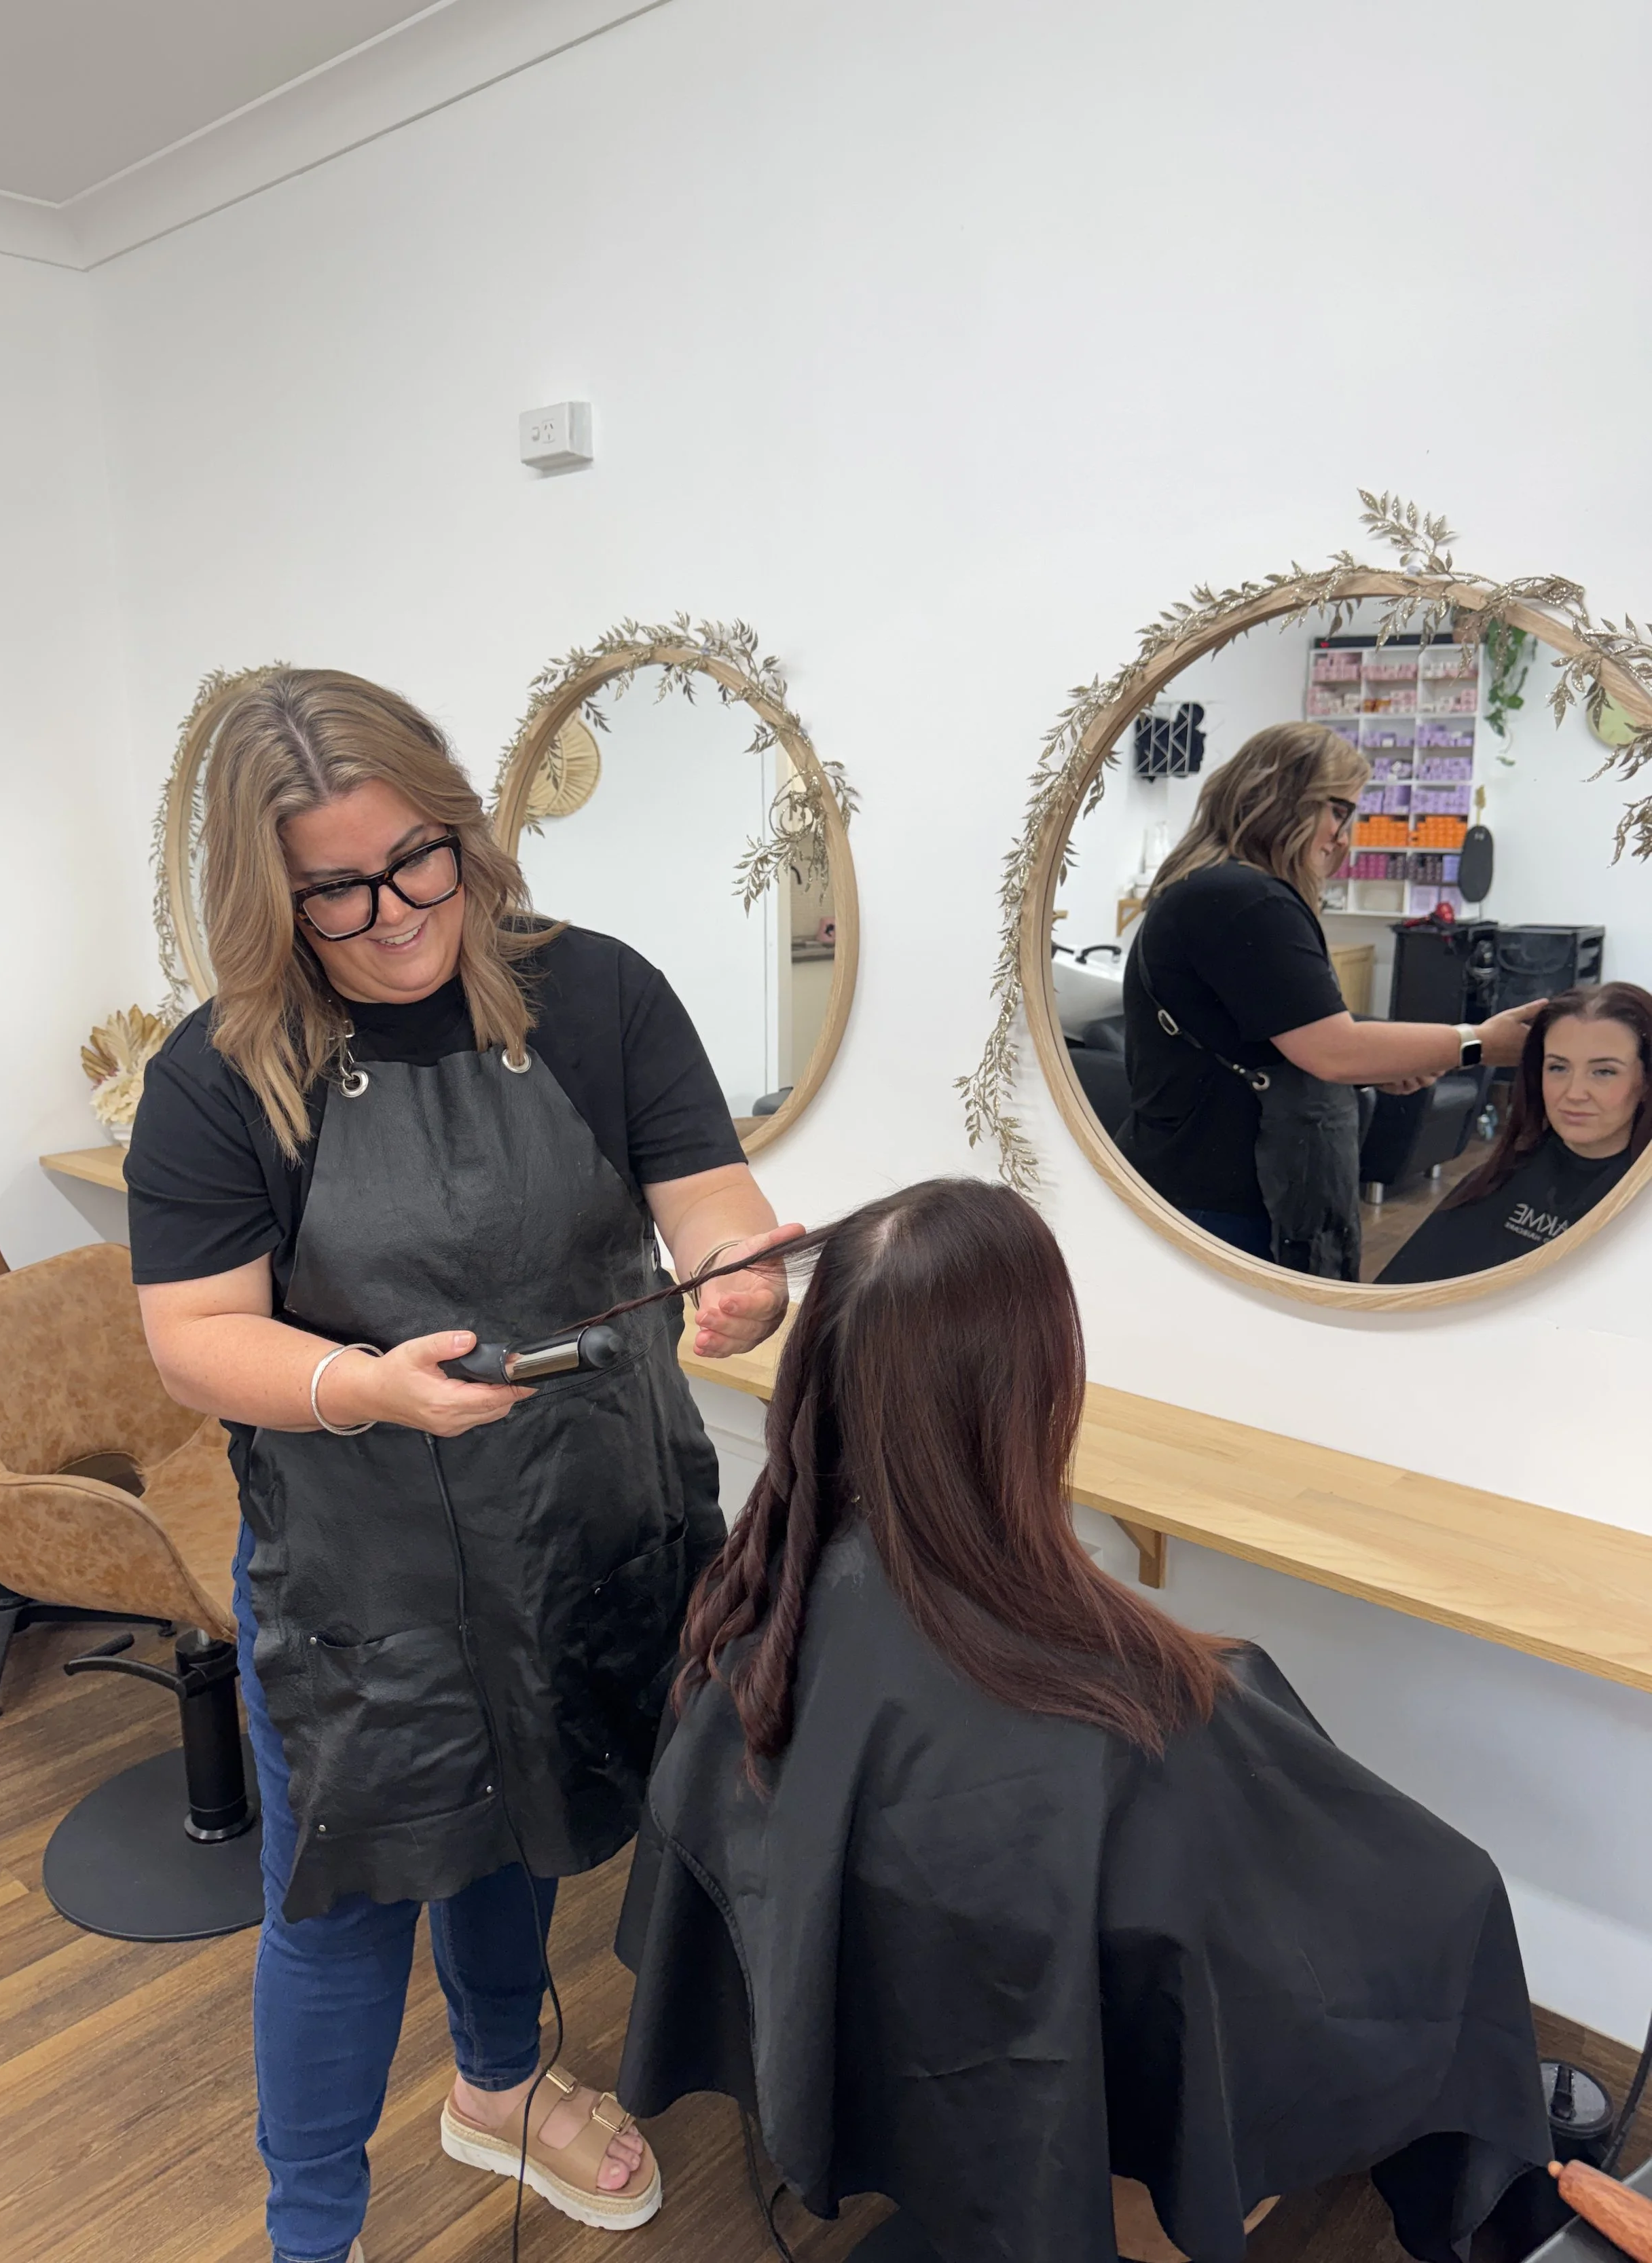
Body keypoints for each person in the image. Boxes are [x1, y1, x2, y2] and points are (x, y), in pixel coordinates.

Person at [126, 667, 798, 2263]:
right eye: (336, 892)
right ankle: (317, 2231)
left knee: (535, 1820)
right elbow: (195, 1338)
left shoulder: (597, 996)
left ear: (462, 827)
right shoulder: (220, 1075)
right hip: (369, 1579)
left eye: (416, 860)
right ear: (262, 894)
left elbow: (708, 1192)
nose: (392, 911)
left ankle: (499, 2086)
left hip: (588, 1525)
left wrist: (733, 1269)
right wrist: (356, 1383)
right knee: (347, 1909)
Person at [614, 1179, 1552, 2263]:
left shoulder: (756, 1614)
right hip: (1044, 2070)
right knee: (1456, 1891)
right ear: (1035, 1385)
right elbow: (1333, 1935)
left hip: (909, 2036)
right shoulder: (1135, 1728)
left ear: (820, 1373)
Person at [1117, 723, 1539, 1276]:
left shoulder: (1210, 890)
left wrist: (1387, 1061)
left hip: (1196, 1179)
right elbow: (1333, 1048)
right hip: (1220, 1197)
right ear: (1283, 799)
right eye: (1340, 810)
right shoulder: (1246, 900)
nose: (1345, 837)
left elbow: (1287, 1031)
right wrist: (1479, 1043)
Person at [1378, 982, 1652, 1283]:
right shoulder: (1498, 1179)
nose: (1574, 1093)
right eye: (1558, 1068)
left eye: (1604, 1072)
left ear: (1646, 1082)